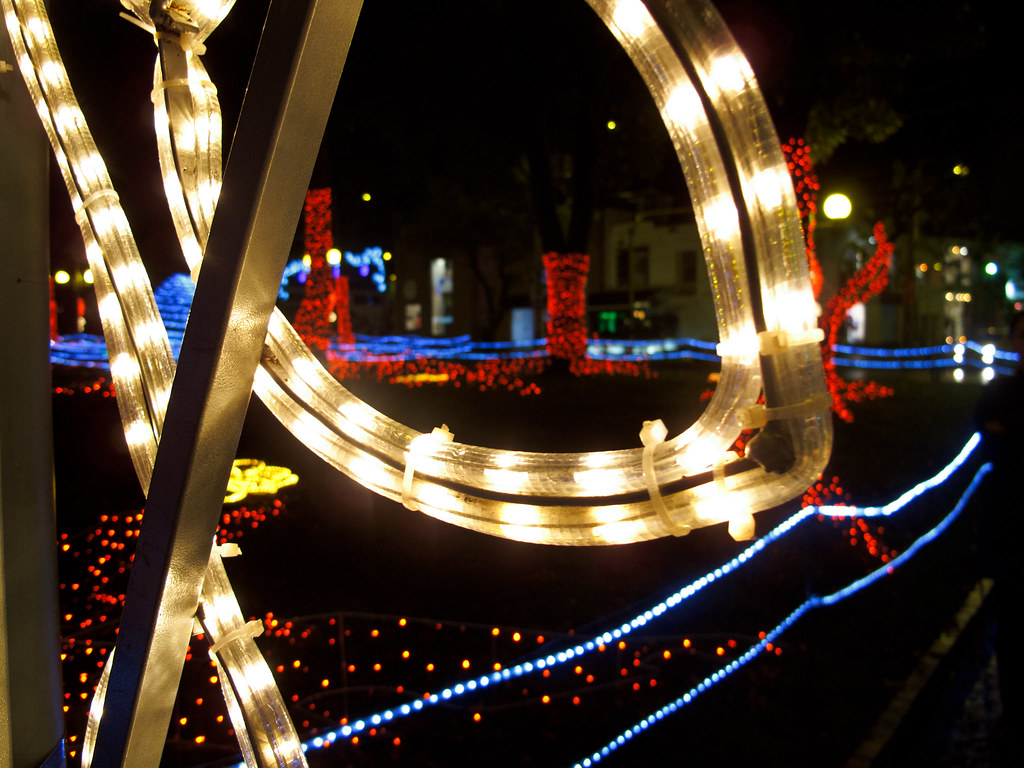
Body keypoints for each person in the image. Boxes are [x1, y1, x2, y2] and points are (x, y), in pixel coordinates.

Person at [974, 310, 1024, 750]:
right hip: (1010, 521)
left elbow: (1001, 434)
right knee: (1010, 621)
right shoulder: (1001, 390)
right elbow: (988, 429)